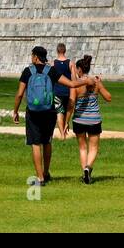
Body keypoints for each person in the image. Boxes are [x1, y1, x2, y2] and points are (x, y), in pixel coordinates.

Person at [12, 45, 88, 185]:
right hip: (49, 111)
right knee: (47, 141)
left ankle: (39, 177)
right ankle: (46, 172)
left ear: (35, 57)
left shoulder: (27, 71)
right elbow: (71, 84)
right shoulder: (51, 71)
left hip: (33, 112)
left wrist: (15, 111)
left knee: (35, 143)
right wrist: (86, 81)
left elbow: (19, 94)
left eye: (32, 55)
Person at [70, 54, 112, 184]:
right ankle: (88, 168)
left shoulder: (77, 85)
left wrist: (65, 121)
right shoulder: (96, 83)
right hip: (94, 119)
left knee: (83, 148)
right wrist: (101, 84)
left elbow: (71, 104)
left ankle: (85, 173)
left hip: (79, 120)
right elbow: (108, 97)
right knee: (93, 148)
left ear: (80, 70)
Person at [51, 43, 73, 139]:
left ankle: (62, 134)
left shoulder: (53, 63)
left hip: (57, 91)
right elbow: (74, 79)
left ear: (57, 51)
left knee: (59, 113)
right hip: (68, 91)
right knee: (67, 110)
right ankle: (66, 125)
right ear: (65, 51)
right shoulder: (70, 63)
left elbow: (51, 78)